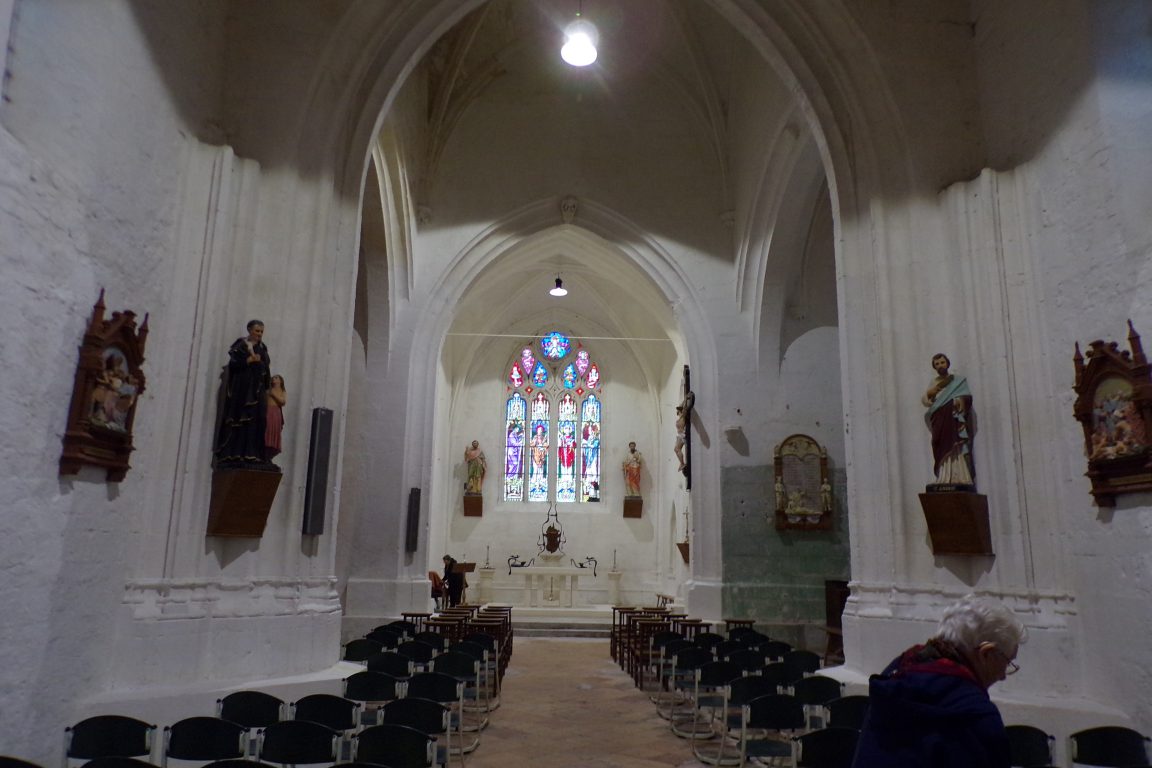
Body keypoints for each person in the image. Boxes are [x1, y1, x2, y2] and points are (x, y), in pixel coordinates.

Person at [851, 594, 1026, 768]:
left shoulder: (894, 677)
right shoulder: (976, 716)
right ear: (985, 653)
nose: (1003, 675)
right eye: (1008, 662)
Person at [215, 319, 273, 466]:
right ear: (249, 330)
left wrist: (262, 368)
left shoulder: (262, 348)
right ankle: (235, 454)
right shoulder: (240, 346)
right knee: (240, 419)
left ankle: (254, 454)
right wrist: (249, 360)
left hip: (257, 389)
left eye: (261, 331)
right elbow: (234, 365)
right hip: (242, 389)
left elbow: (266, 368)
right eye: (257, 331)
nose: (259, 334)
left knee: (257, 419)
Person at [922, 353, 976, 487]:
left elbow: (967, 398)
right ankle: (944, 477)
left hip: (953, 419)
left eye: (942, 362)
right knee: (938, 443)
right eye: (937, 364)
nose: (940, 365)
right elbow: (926, 401)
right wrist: (931, 393)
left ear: (947, 363)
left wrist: (958, 401)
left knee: (955, 445)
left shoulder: (958, 381)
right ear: (934, 367)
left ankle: (960, 476)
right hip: (939, 420)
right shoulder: (934, 382)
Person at [265, 374, 286, 459]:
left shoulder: (282, 391)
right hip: (268, 412)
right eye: (273, 378)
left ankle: (270, 452)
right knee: (267, 429)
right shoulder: (268, 390)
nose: (274, 378)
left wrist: (273, 394)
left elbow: (283, 402)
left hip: (275, 413)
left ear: (280, 381)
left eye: (276, 377)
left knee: (273, 430)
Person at [673, 390, 695, 473]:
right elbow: (680, 406)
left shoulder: (682, 417)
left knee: (677, 449)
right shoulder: (679, 418)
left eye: (679, 410)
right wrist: (684, 400)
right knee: (676, 449)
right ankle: (682, 463)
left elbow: (685, 408)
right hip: (680, 435)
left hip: (682, 435)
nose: (678, 411)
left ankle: (682, 463)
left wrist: (686, 399)